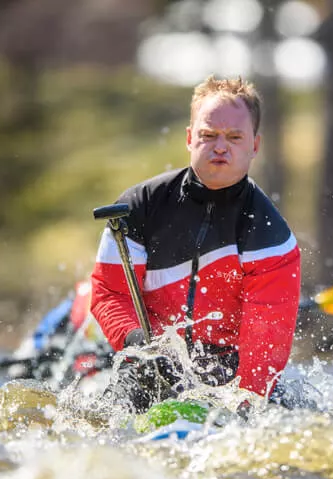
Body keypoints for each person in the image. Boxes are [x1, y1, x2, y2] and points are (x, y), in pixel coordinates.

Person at [90, 76, 301, 412]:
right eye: (208, 135)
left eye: (234, 137)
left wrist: (244, 407)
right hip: (150, 366)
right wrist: (138, 345)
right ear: (190, 138)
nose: (220, 147)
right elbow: (108, 294)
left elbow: (265, 348)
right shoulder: (138, 206)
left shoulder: (270, 236)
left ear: (255, 146)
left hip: (229, 380)